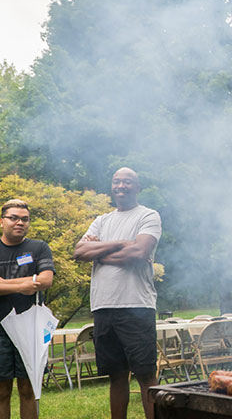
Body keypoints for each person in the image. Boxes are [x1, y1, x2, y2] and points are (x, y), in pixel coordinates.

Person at [73, 168, 161, 419]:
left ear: (138, 186)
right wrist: (122, 243)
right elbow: (79, 252)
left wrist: (98, 251)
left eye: (128, 181)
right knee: (116, 374)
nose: (121, 186)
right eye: (116, 181)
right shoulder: (102, 220)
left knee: (145, 374)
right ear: (112, 186)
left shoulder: (148, 216)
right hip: (103, 307)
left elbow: (138, 253)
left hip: (136, 306)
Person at [0, 199, 54, 419]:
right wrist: (23, 284)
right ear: (2, 221)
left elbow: (46, 280)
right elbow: (32, 283)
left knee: (28, 387)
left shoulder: (38, 247)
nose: (19, 222)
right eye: (13, 218)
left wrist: (5, 283)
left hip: (30, 326)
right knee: (1, 390)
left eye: (24, 219)